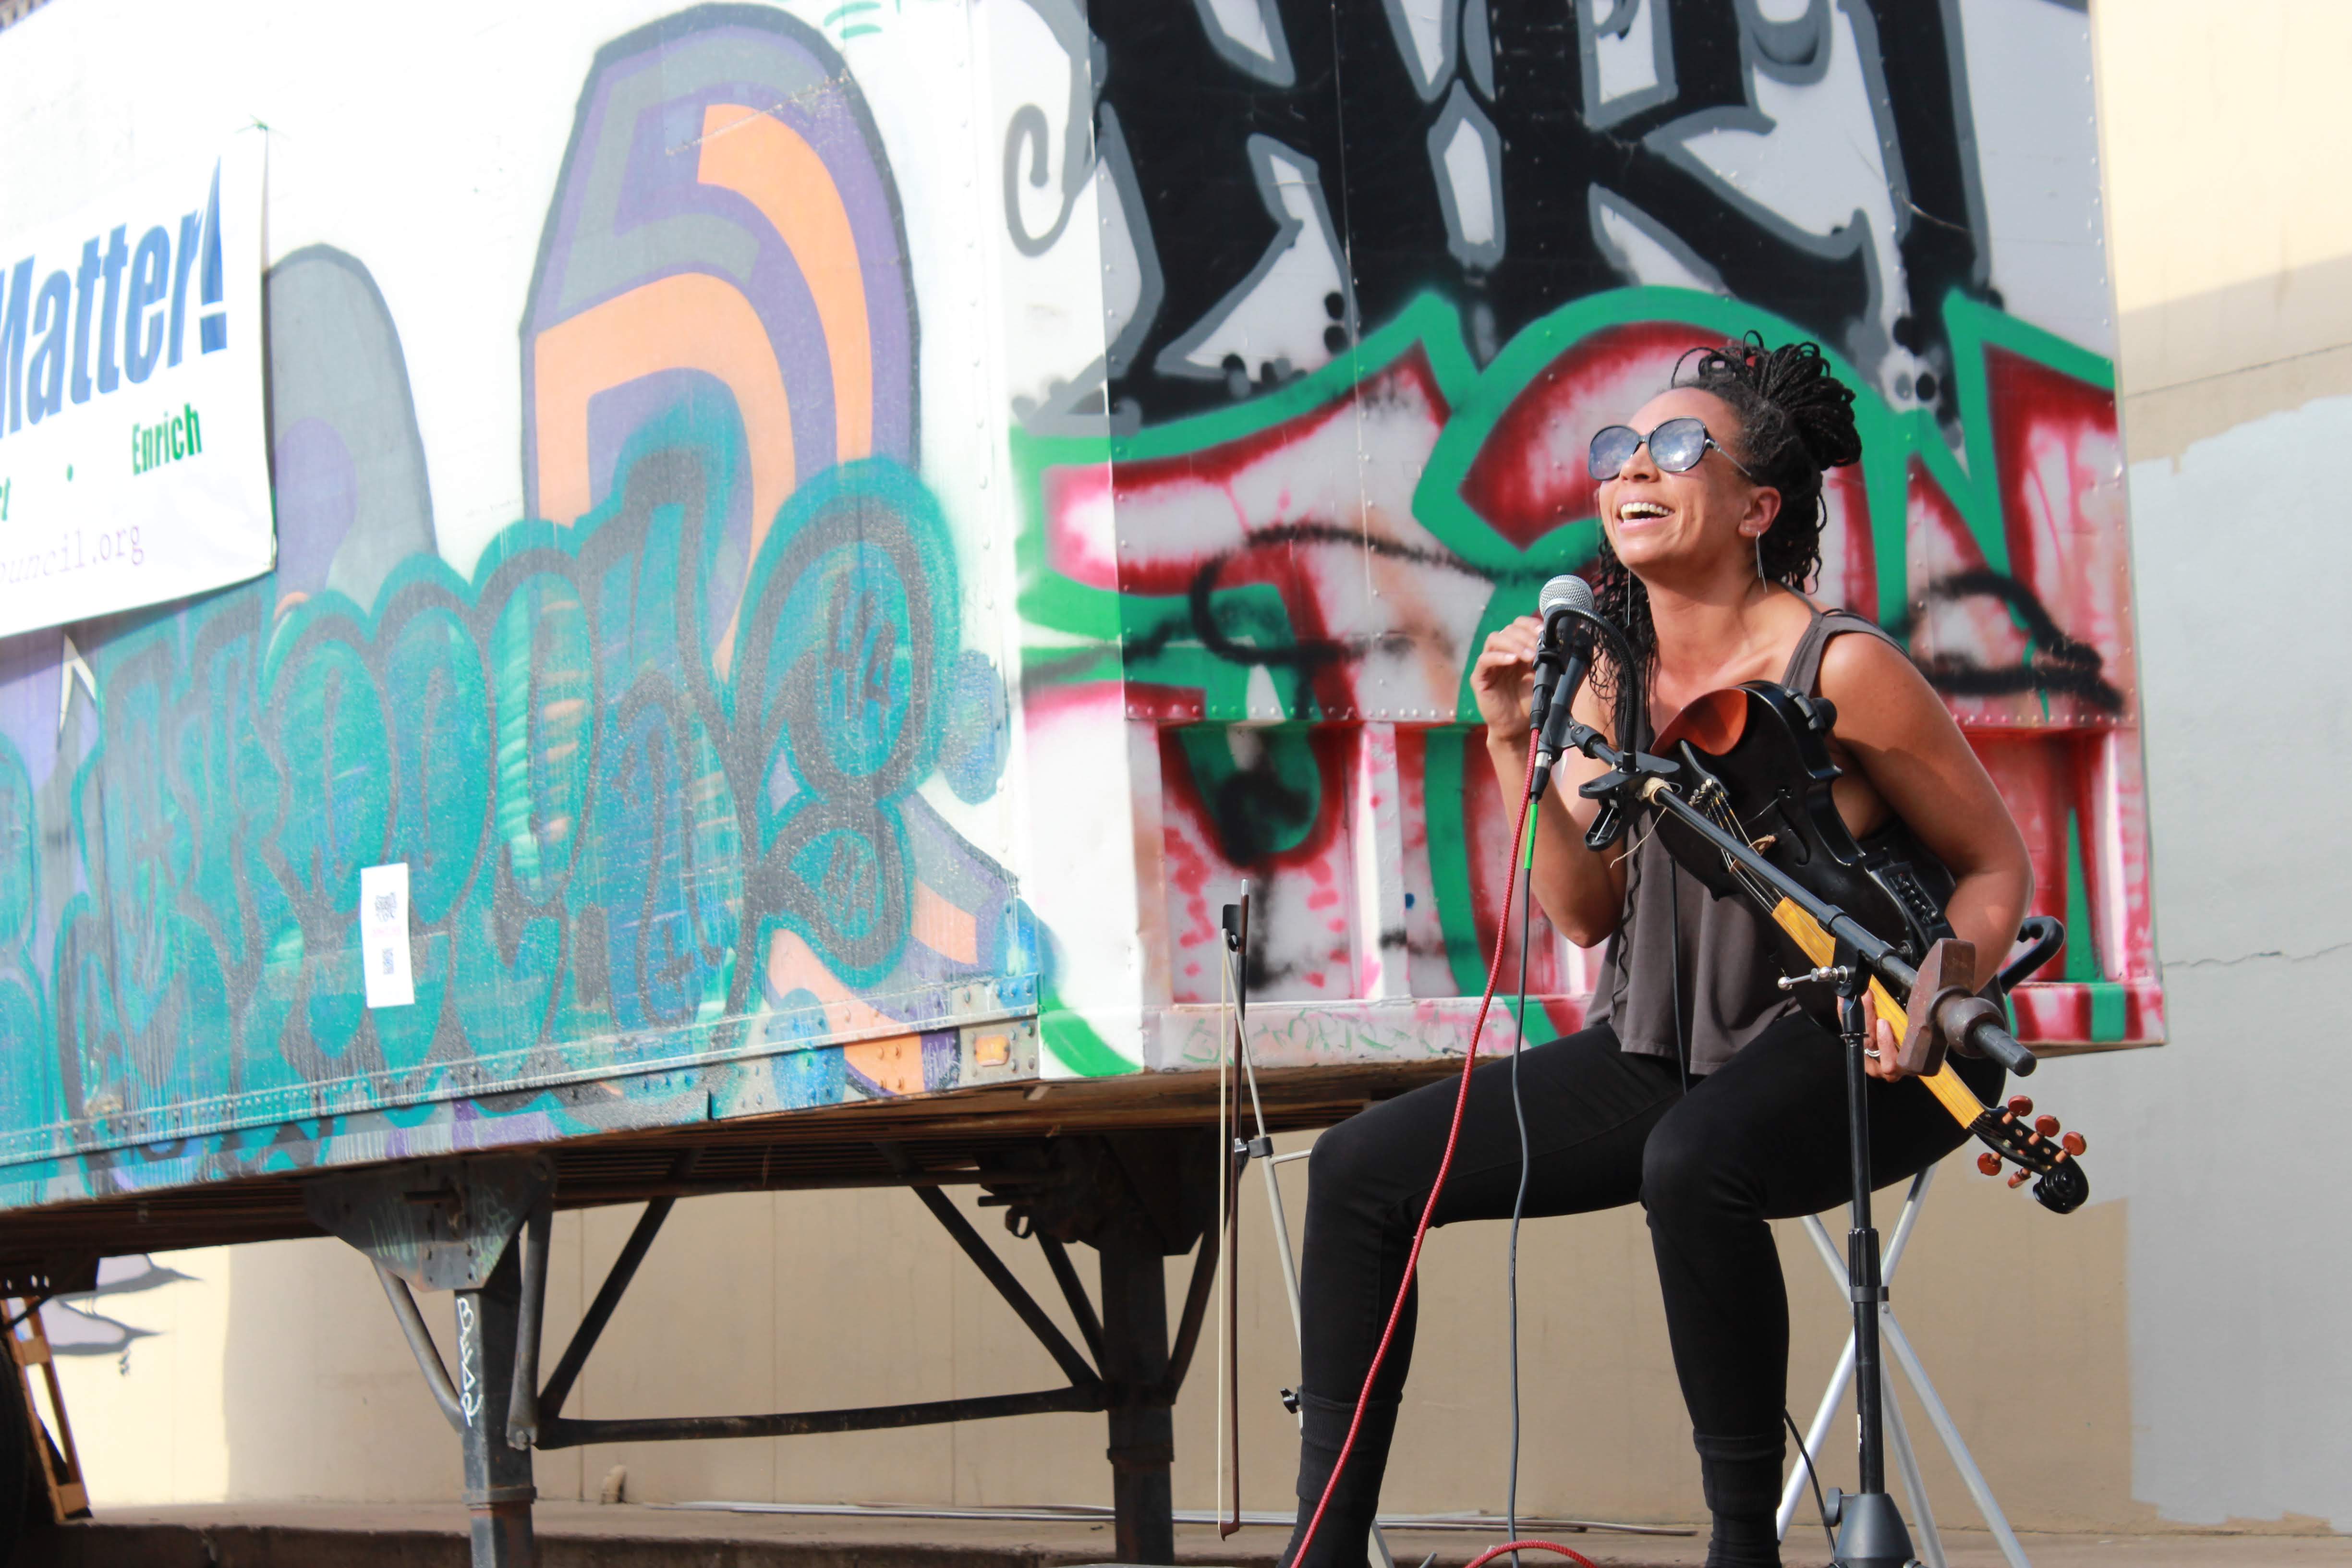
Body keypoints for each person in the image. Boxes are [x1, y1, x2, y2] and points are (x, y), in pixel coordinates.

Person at [1275, 336, 2035, 1568]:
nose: (1633, 467)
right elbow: (1584, 916)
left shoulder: (1841, 668)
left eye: (1676, 447)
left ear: (1755, 506)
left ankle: (1744, 1544)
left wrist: (1942, 987)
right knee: (1360, 1173)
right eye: (1615, 449)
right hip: (1662, 1043)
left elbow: (1996, 863)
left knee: (1692, 1160)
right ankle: (1319, 1550)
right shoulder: (1602, 681)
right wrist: (1513, 738)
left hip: (1861, 1040)